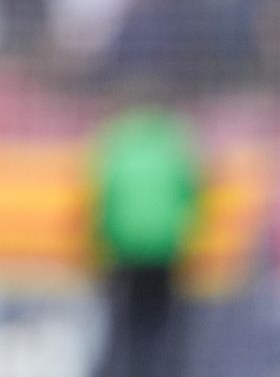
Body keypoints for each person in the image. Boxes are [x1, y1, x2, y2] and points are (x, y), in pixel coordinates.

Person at [88, 89, 204, 377]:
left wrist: (101, 242)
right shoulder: (176, 142)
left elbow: (103, 195)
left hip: (123, 247)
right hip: (164, 247)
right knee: (162, 323)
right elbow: (191, 191)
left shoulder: (116, 141)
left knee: (123, 324)